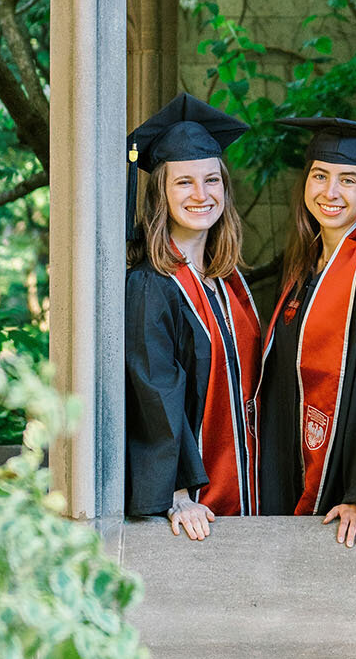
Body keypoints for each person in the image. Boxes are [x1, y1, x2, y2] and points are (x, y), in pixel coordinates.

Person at [258, 116, 356, 547]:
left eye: (347, 180)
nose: (330, 192)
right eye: (320, 176)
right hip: (293, 479)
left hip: (342, 502)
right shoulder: (302, 265)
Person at [125, 92, 261, 539]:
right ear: (161, 192)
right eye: (184, 182)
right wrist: (178, 494)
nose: (202, 195)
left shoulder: (227, 282)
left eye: (212, 180)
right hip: (201, 502)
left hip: (249, 486)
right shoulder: (152, 285)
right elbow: (155, 390)